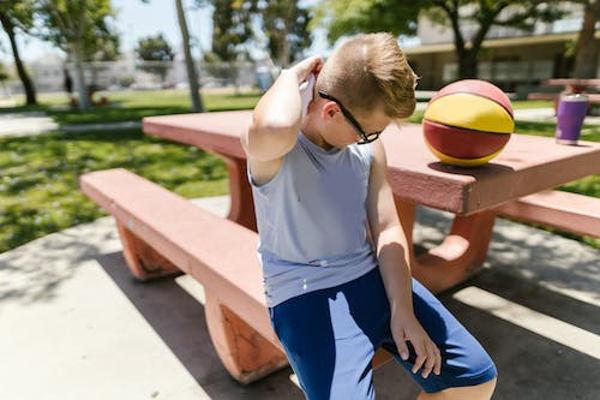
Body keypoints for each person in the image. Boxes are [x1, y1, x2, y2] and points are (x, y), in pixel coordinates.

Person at [240, 32, 498, 400]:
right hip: (305, 296)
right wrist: (291, 74)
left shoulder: (368, 149)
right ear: (331, 112)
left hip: (372, 279)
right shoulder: (278, 149)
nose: (375, 139)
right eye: (369, 132)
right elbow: (271, 127)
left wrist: (403, 310)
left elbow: (388, 227)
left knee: (474, 378)